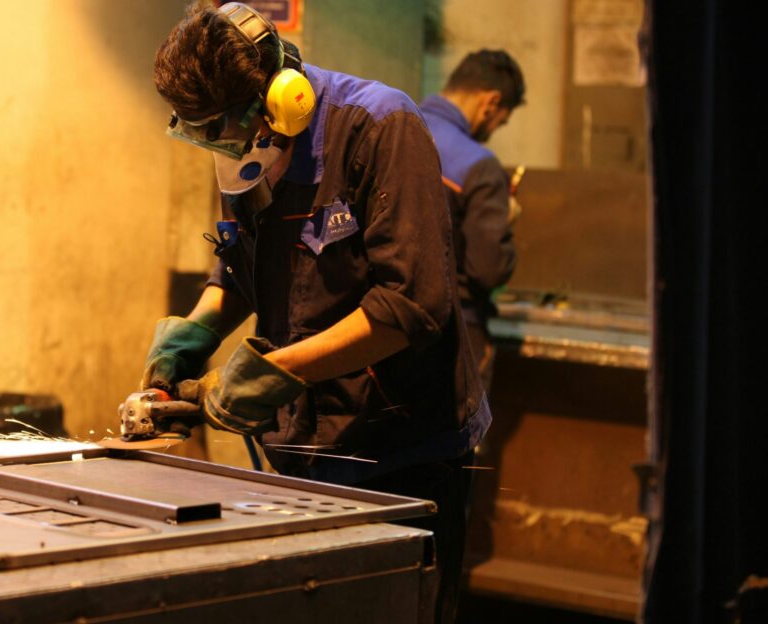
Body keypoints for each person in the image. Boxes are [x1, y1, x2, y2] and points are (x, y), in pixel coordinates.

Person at [139, 4, 489, 622]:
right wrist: (191, 336)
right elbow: (239, 267)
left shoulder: (380, 125)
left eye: (222, 127)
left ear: (281, 96)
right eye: (202, 133)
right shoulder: (243, 146)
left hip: (399, 457)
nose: (219, 145)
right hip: (300, 453)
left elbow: (412, 303)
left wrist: (279, 371)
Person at [419, 50, 524, 391]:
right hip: (454, 335)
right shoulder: (479, 166)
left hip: (382, 329)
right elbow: (487, 269)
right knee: (460, 442)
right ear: (491, 103)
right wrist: (505, 219)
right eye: (500, 122)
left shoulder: (391, 129)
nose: (492, 131)